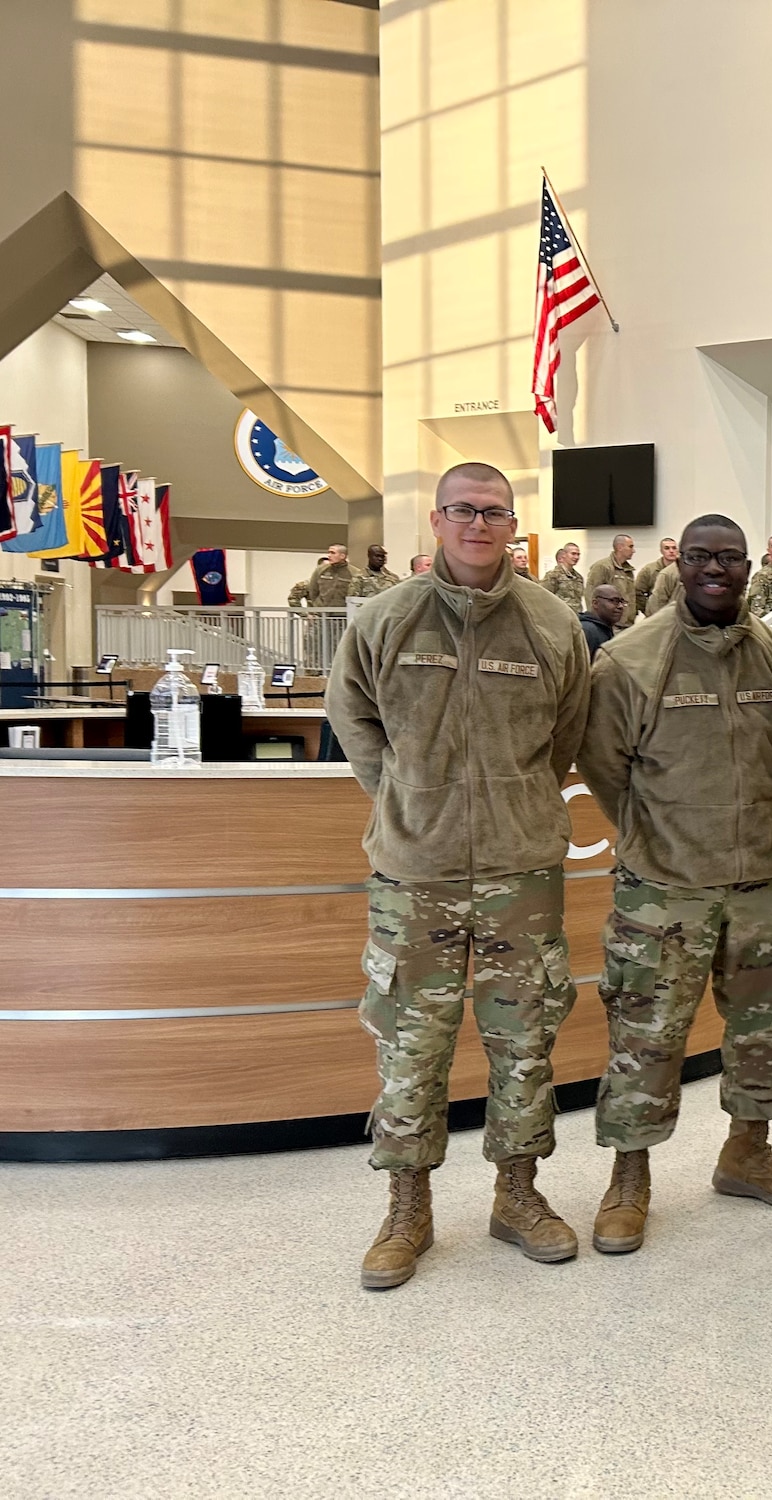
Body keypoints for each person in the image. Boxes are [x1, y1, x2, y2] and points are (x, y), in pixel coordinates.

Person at [326, 461, 592, 1289]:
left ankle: (518, 1195)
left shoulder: (553, 626)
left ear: (514, 526)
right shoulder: (384, 619)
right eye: (463, 510)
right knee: (412, 1044)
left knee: (526, 1042)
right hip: (416, 872)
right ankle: (408, 1208)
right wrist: (407, 796)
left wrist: (513, 805)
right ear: (436, 521)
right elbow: (352, 717)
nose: (479, 524)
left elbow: (566, 736)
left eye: (495, 513)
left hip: (522, 870)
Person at [575, 514, 772, 1254]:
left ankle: (747, 1152)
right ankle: (630, 1177)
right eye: (702, 557)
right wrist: (657, 837)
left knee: (766, 1030)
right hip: (665, 888)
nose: (717, 569)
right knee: (647, 1035)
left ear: (749, 568)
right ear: (678, 565)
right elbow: (604, 767)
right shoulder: (631, 660)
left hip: (760, 882)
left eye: (730, 558)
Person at [586, 534, 639, 629]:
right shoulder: (602, 567)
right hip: (610, 626)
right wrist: (596, 624)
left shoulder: (628, 571)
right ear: (620, 547)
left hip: (627, 625)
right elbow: (591, 595)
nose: (633, 551)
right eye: (630, 547)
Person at [634, 537, 682, 617]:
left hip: (678, 615)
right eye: (667, 548)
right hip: (656, 614)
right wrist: (648, 609)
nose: (671, 551)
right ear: (661, 551)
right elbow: (637, 592)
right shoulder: (649, 570)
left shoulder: (683, 569)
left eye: (674, 548)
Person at [579, 583, 626, 657]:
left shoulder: (605, 629)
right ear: (595, 603)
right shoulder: (587, 630)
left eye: (622, 602)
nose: (620, 606)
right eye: (614, 601)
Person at [542, 542, 585, 610]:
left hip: (577, 615)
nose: (576, 557)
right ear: (564, 555)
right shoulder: (553, 575)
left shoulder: (578, 577)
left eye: (578, 554)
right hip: (560, 615)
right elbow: (544, 597)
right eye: (573, 554)